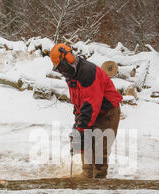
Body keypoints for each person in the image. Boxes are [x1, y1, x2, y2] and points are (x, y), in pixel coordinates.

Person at [50, 43, 123, 179]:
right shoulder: (71, 74)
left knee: (99, 149)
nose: (62, 71)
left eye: (62, 67)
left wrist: (81, 127)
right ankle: (87, 176)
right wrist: (77, 122)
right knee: (85, 144)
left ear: (69, 59)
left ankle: (99, 180)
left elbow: (91, 104)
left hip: (107, 112)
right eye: (59, 69)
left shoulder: (88, 72)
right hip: (89, 111)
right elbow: (79, 100)